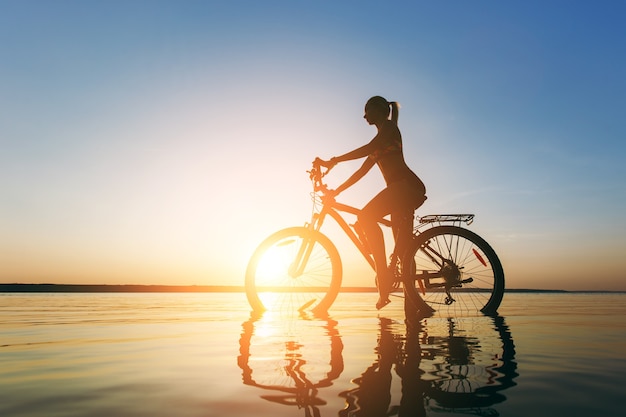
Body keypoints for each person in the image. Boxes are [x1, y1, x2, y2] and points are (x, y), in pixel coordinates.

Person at [319, 96, 426, 309]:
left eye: (367, 110)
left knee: (365, 217)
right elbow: (360, 172)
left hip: (404, 188)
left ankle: (383, 276)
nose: (364, 115)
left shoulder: (388, 129)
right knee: (404, 250)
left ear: (379, 110)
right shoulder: (381, 141)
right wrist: (336, 192)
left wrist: (334, 160)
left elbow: (368, 149)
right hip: (400, 193)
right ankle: (412, 306)